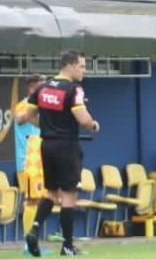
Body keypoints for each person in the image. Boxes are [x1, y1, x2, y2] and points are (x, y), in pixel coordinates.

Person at [17, 50, 100, 257]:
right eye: (81, 66)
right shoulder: (74, 90)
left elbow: (26, 117)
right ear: (69, 66)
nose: (84, 71)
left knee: (51, 193)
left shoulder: (43, 88)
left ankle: (34, 229)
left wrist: (44, 122)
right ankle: (68, 245)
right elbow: (82, 119)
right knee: (69, 195)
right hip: (67, 146)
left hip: (46, 145)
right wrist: (93, 125)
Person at [14, 75, 46, 246]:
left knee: (39, 200)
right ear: (32, 88)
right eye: (42, 87)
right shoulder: (23, 105)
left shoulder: (42, 107)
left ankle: (33, 240)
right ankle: (28, 244)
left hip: (40, 160)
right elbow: (20, 118)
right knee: (31, 199)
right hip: (27, 161)